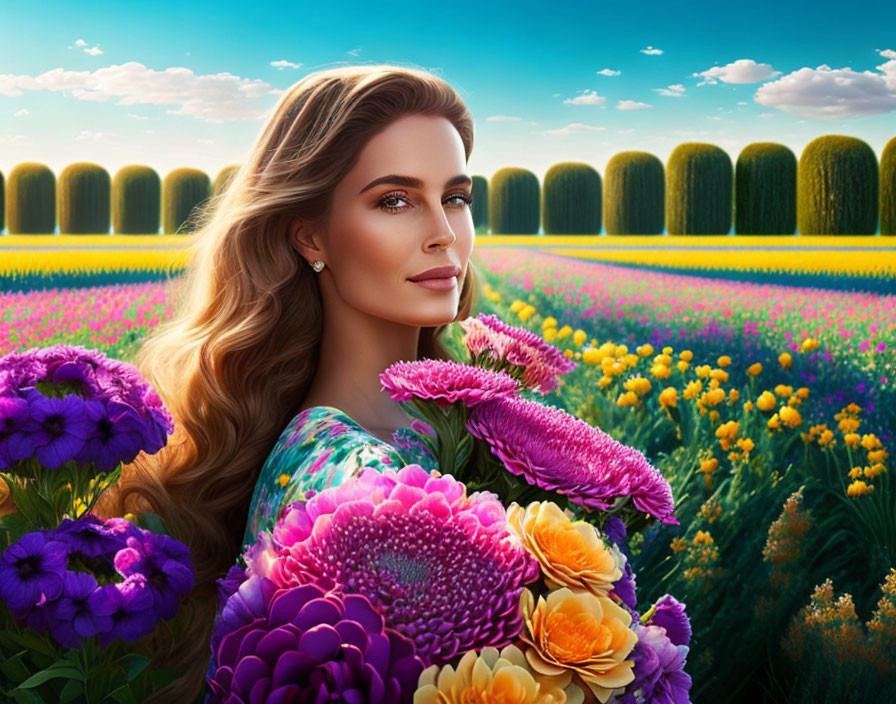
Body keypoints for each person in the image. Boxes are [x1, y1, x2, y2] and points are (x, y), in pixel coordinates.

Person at [93, 63, 480, 703]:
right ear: (309, 234)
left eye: (456, 197)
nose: (443, 234)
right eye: (396, 200)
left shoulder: (402, 433)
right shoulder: (355, 477)